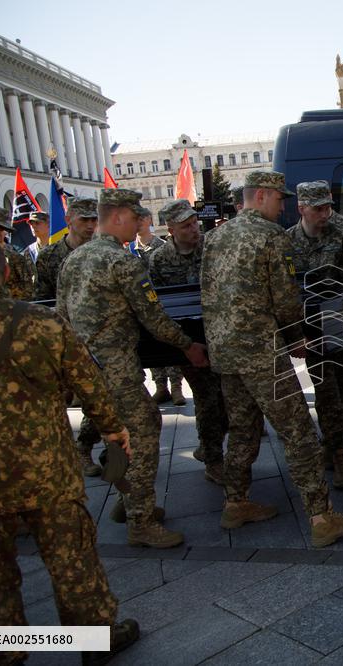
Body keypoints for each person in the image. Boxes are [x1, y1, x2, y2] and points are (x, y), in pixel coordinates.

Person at [0, 236, 139, 665]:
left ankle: (3, 653)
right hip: (48, 472)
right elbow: (91, 384)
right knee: (72, 559)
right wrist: (114, 432)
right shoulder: (44, 323)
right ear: (4, 275)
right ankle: (93, 640)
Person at [201, 170, 343, 544]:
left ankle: (235, 502)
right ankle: (322, 518)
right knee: (299, 434)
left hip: (225, 353)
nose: (284, 207)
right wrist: (296, 337)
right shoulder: (271, 237)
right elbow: (286, 298)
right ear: (261, 196)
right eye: (280, 199)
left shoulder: (215, 237)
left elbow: (207, 295)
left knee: (243, 431)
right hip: (262, 352)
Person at [57, 188, 209, 548]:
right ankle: (140, 520)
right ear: (118, 217)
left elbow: (61, 318)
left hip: (86, 369)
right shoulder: (121, 262)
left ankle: (128, 503)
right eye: (137, 216)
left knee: (119, 433)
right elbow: (152, 318)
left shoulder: (74, 259)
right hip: (117, 369)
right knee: (143, 430)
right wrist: (188, 345)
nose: (142, 222)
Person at [287, 181, 343, 489]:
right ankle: (336, 452)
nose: (325, 213)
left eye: (328, 206)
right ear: (302, 209)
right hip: (311, 327)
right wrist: (297, 331)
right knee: (326, 392)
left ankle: (334, 445)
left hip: (342, 321)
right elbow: (287, 289)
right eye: (318, 208)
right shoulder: (288, 242)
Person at [149, 199, 228, 485]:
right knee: (207, 399)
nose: (194, 229)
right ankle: (213, 458)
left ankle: (209, 445)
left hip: (221, 333)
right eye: (185, 226)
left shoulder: (213, 247)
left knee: (227, 399)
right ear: (170, 229)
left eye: (194, 223)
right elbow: (157, 305)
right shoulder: (159, 260)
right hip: (189, 344)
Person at [34, 197, 105, 475]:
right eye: (83, 220)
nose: (89, 226)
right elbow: (41, 300)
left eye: (93, 220)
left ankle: (86, 449)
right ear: (68, 221)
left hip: (101, 337)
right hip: (65, 339)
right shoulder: (50, 257)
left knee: (99, 398)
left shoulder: (103, 253)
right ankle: (74, 451)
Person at [135, 209, 184, 406]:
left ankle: (176, 387)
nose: (138, 223)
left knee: (169, 345)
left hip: (163, 304)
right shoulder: (130, 249)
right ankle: (160, 386)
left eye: (141, 218)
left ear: (149, 219)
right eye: (135, 219)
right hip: (142, 306)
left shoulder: (160, 247)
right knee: (151, 346)